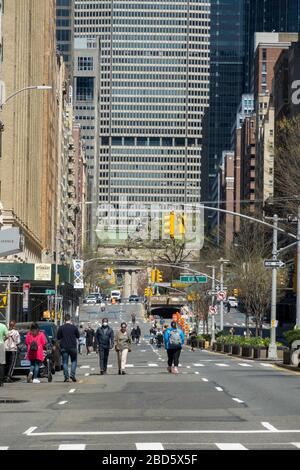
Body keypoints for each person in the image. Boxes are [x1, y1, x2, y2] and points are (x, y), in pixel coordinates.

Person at [57, 314, 80, 383]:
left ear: (64, 320)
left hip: (64, 347)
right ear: (70, 319)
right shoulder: (74, 327)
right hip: (72, 347)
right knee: (74, 361)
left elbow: (58, 337)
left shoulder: (61, 328)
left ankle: (66, 377)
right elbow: (78, 336)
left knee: (65, 362)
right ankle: (72, 375)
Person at [0, 322, 8, 387]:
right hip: (1, 345)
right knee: (2, 363)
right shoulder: (3, 326)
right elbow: (7, 336)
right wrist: (2, 339)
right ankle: (1, 381)